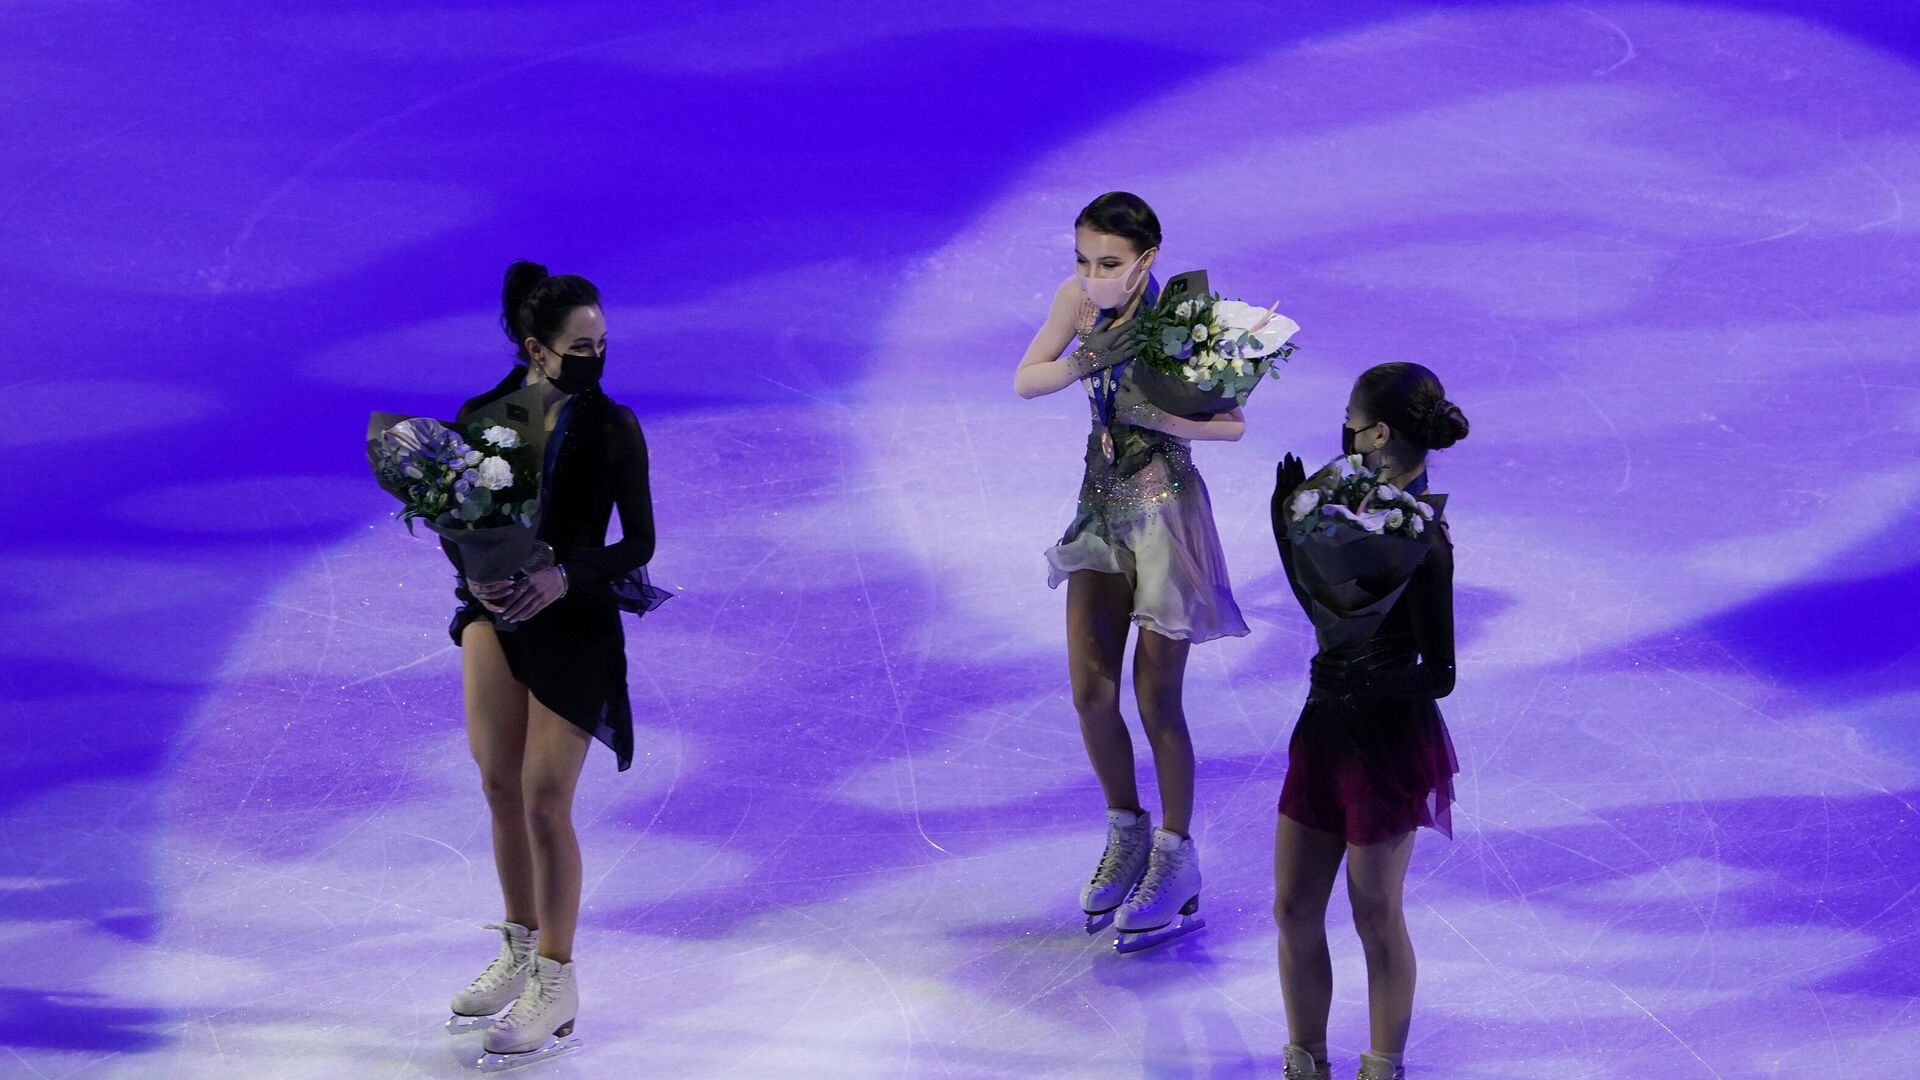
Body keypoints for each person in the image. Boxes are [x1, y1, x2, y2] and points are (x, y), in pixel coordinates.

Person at [442, 261, 667, 1067]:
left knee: (544, 800)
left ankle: (557, 975)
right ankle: (518, 940)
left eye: (603, 342)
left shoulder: (614, 429)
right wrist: (478, 574)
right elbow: (452, 514)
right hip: (493, 616)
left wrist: (562, 575)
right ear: (537, 349)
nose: (596, 357)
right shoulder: (482, 419)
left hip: (573, 619)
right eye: (580, 345)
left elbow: (638, 542)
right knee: (499, 783)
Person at [1014, 191, 1251, 950]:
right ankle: (1128, 831)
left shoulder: (1188, 321)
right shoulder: (1077, 303)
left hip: (1166, 513)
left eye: (1109, 263)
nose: (1092, 275)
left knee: (1157, 700)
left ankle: (1177, 857)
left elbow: (1234, 423)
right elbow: (1028, 378)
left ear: (1146, 261)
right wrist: (1092, 355)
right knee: (1090, 691)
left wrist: (1162, 418)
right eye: (1083, 260)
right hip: (1100, 506)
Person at [1268, 363, 1469, 1080]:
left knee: (1374, 914)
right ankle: (1305, 1063)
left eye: (1351, 418)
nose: (1344, 430)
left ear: (1379, 432)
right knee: (1293, 907)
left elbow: (1440, 674)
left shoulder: (1427, 541)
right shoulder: (1340, 509)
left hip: (1386, 739)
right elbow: (1329, 613)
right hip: (1325, 724)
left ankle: (1383, 1068)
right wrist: (1284, 529)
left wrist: (1369, 677)